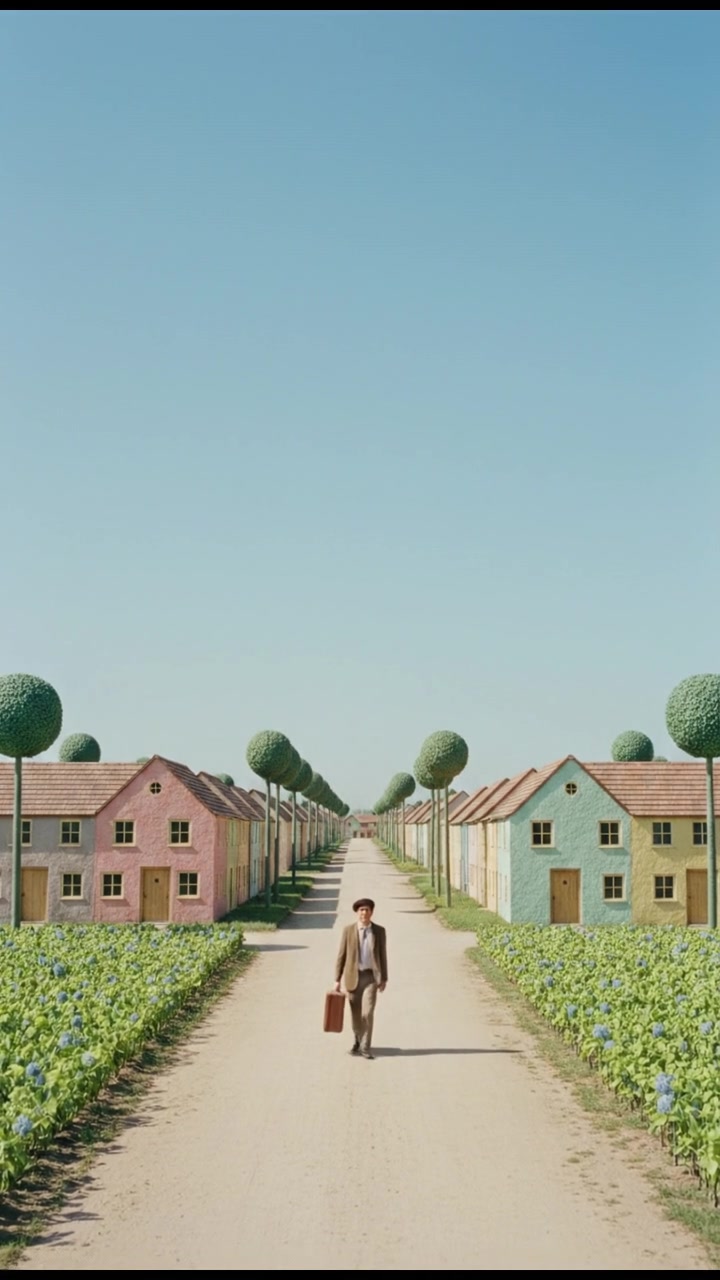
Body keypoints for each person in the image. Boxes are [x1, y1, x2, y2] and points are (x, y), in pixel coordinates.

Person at [334, 897, 387, 1059]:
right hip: (353, 977)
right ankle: (357, 1040)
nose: (364, 913)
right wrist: (337, 979)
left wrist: (383, 978)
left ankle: (365, 1047)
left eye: (367, 910)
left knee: (367, 1013)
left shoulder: (379, 931)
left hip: (370, 977)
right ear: (357, 913)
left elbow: (382, 956)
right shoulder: (348, 930)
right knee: (356, 1015)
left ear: (372, 912)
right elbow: (341, 956)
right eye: (361, 910)